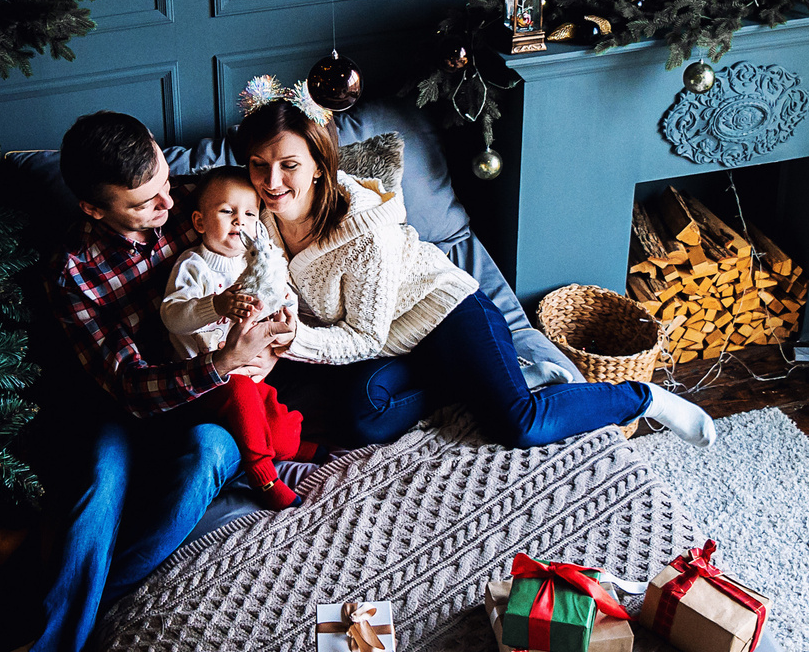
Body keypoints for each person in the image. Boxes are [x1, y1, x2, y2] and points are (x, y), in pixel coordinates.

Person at [5, 113, 294, 652]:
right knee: (97, 488)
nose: (168, 204)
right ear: (93, 207)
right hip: (121, 408)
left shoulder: (198, 203)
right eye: (143, 204)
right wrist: (220, 360)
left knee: (214, 453)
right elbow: (128, 386)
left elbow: (274, 257)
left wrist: (278, 337)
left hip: (205, 409)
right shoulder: (71, 270)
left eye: (166, 183)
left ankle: (50, 637)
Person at [234, 97, 718, 450]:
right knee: (362, 418)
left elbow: (361, 338)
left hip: (446, 311)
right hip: (397, 342)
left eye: (288, 166)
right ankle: (490, 379)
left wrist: (289, 341)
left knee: (519, 425)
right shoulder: (263, 217)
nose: (272, 182)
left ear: (319, 165)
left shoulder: (363, 230)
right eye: (259, 166)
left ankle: (641, 398)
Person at [160, 169, 316, 509]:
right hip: (206, 382)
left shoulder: (256, 261)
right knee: (242, 393)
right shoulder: (193, 266)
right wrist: (214, 304)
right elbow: (171, 315)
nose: (239, 222)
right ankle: (264, 475)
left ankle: (295, 448)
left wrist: (286, 318)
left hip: (253, 374)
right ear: (200, 222)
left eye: (249, 214)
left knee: (280, 422)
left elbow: (282, 294)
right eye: (227, 211)